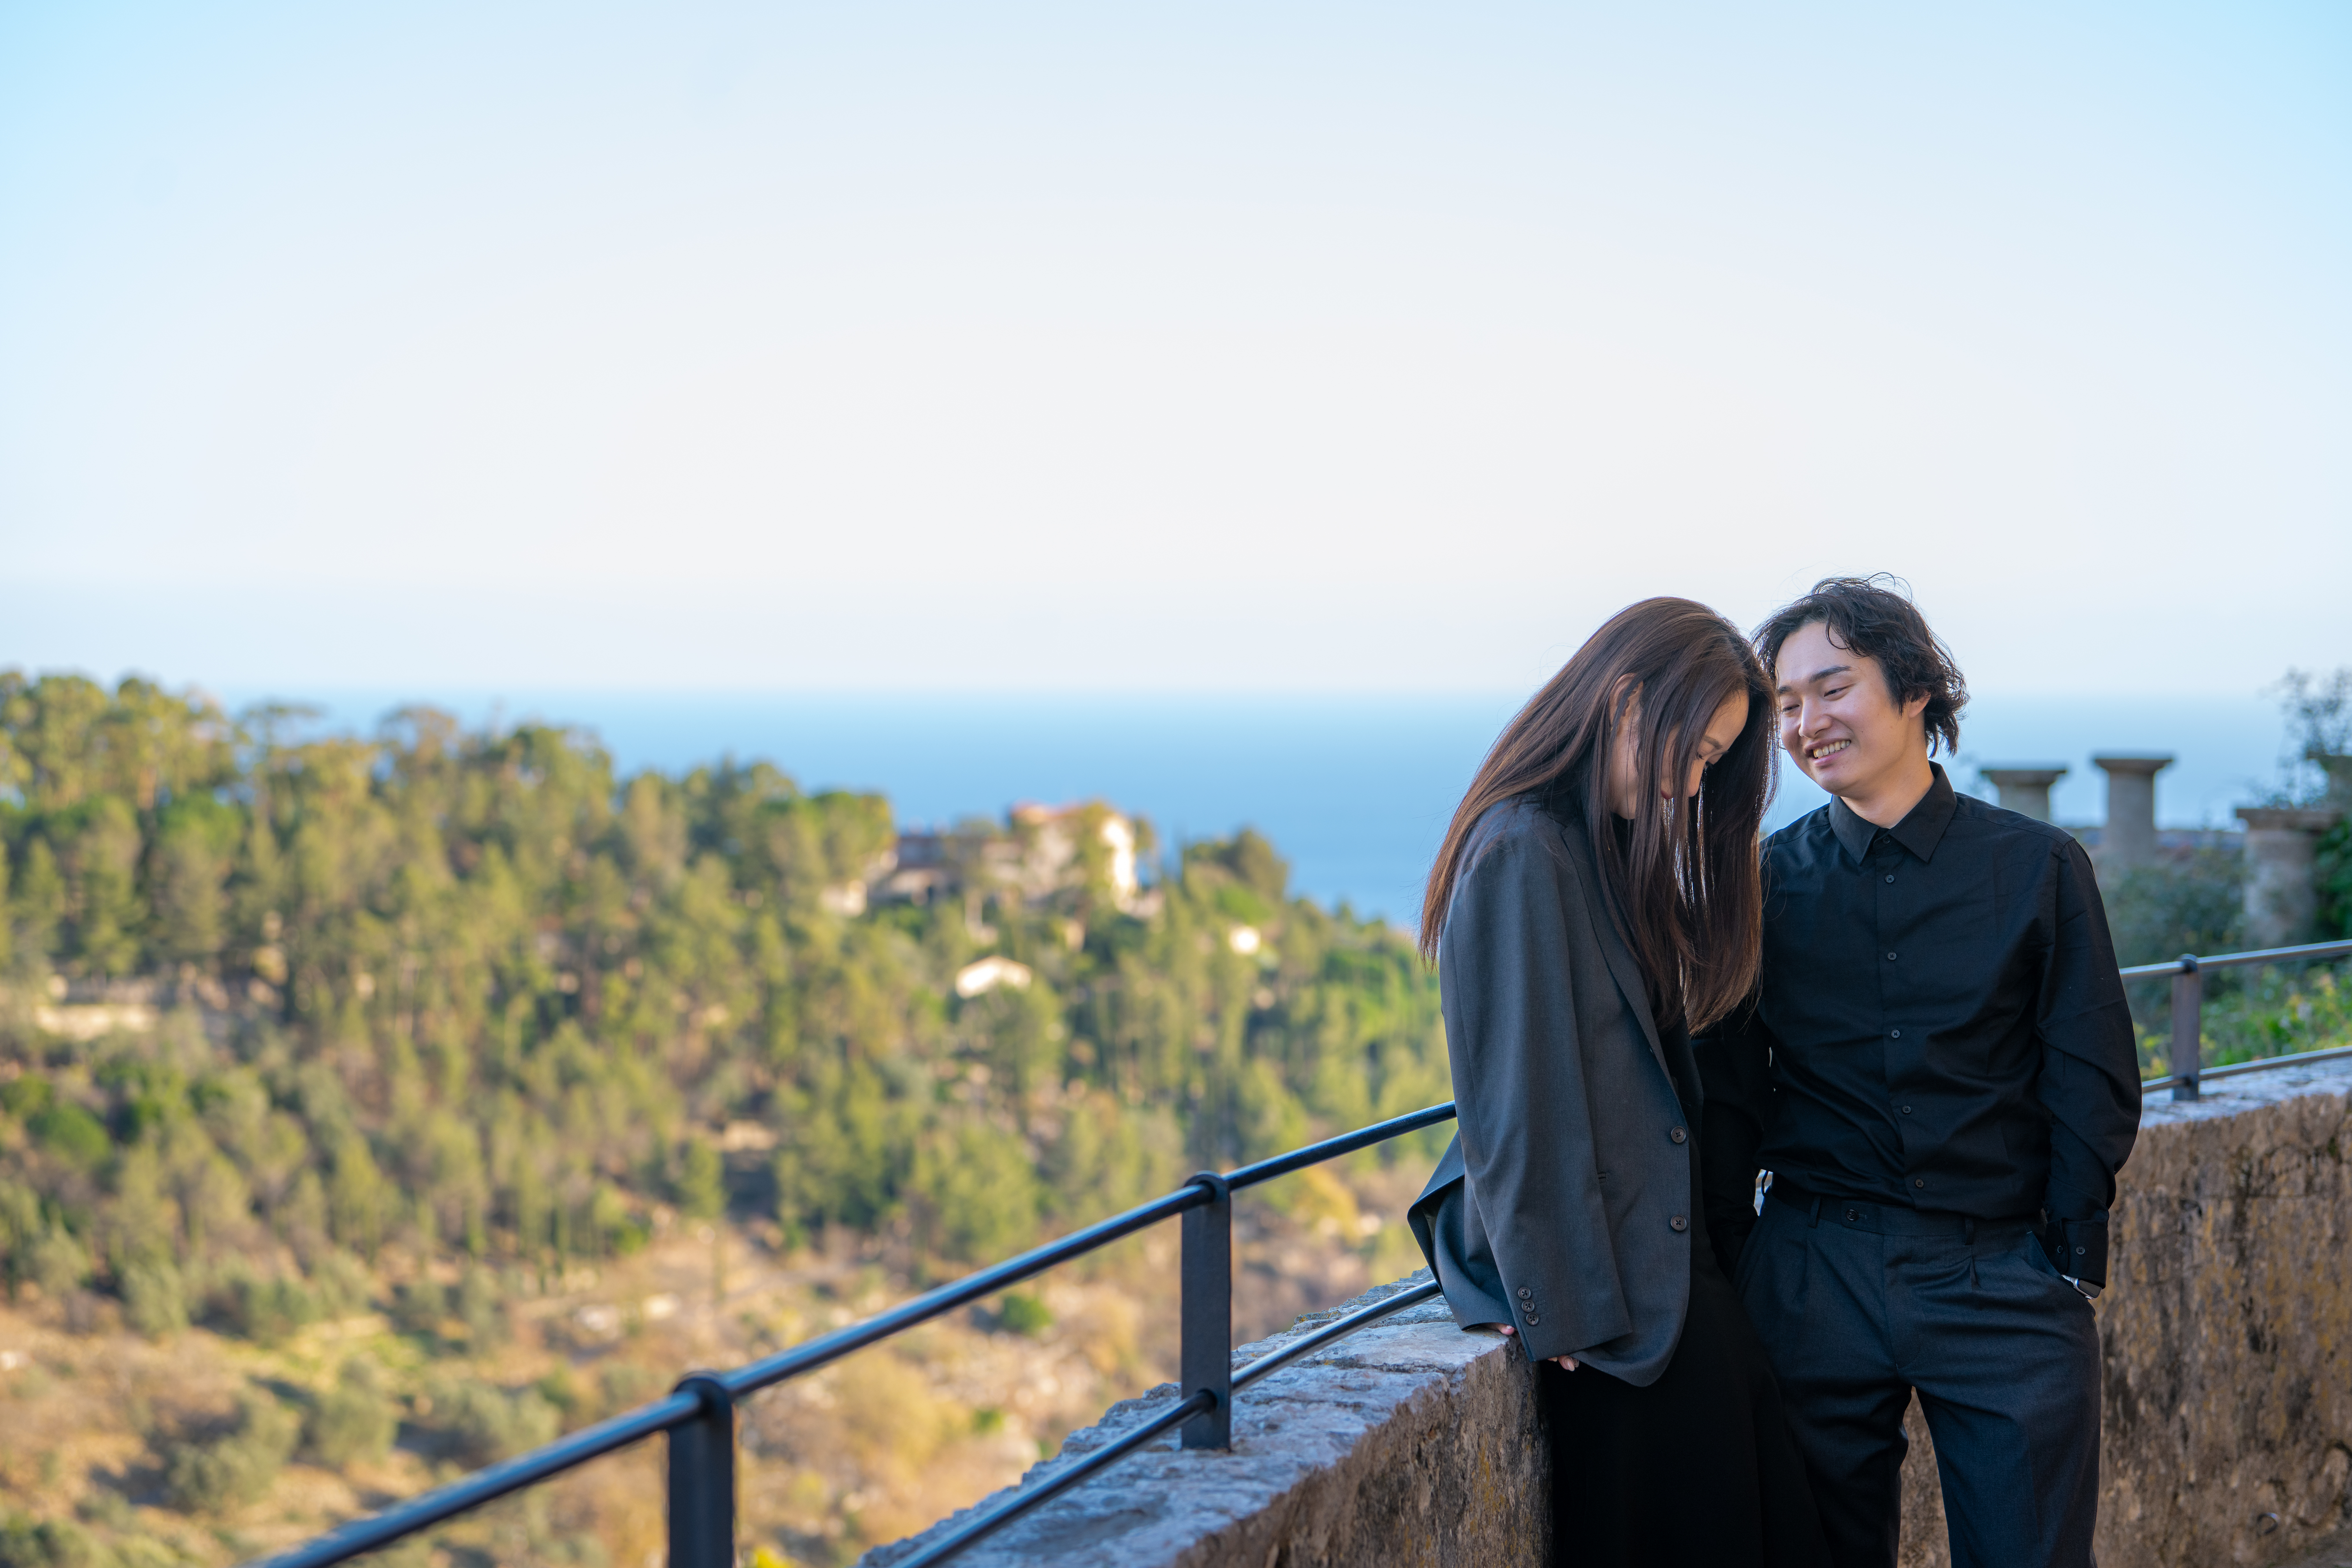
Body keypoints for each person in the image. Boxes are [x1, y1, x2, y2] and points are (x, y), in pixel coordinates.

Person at [1697, 577, 2141, 1568]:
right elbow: (1724, 1094)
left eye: (1832, 688)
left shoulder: (2037, 867)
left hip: (2003, 1277)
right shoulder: (1759, 885)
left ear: (1912, 692)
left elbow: (2090, 1066)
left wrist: (2067, 1258)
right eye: (1786, 705)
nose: (1807, 723)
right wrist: (1748, 1266)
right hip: (1812, 1274)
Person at [1407, 597, 1827, 1568]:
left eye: (1718, 763)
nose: (1694, 785)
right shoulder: (1521, 849)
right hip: (1612, 1314)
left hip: (1666, 1276)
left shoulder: (1588, 844)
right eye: (1694, 751)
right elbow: (1516, 1099)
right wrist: (1564, 1306)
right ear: (1625, 702)